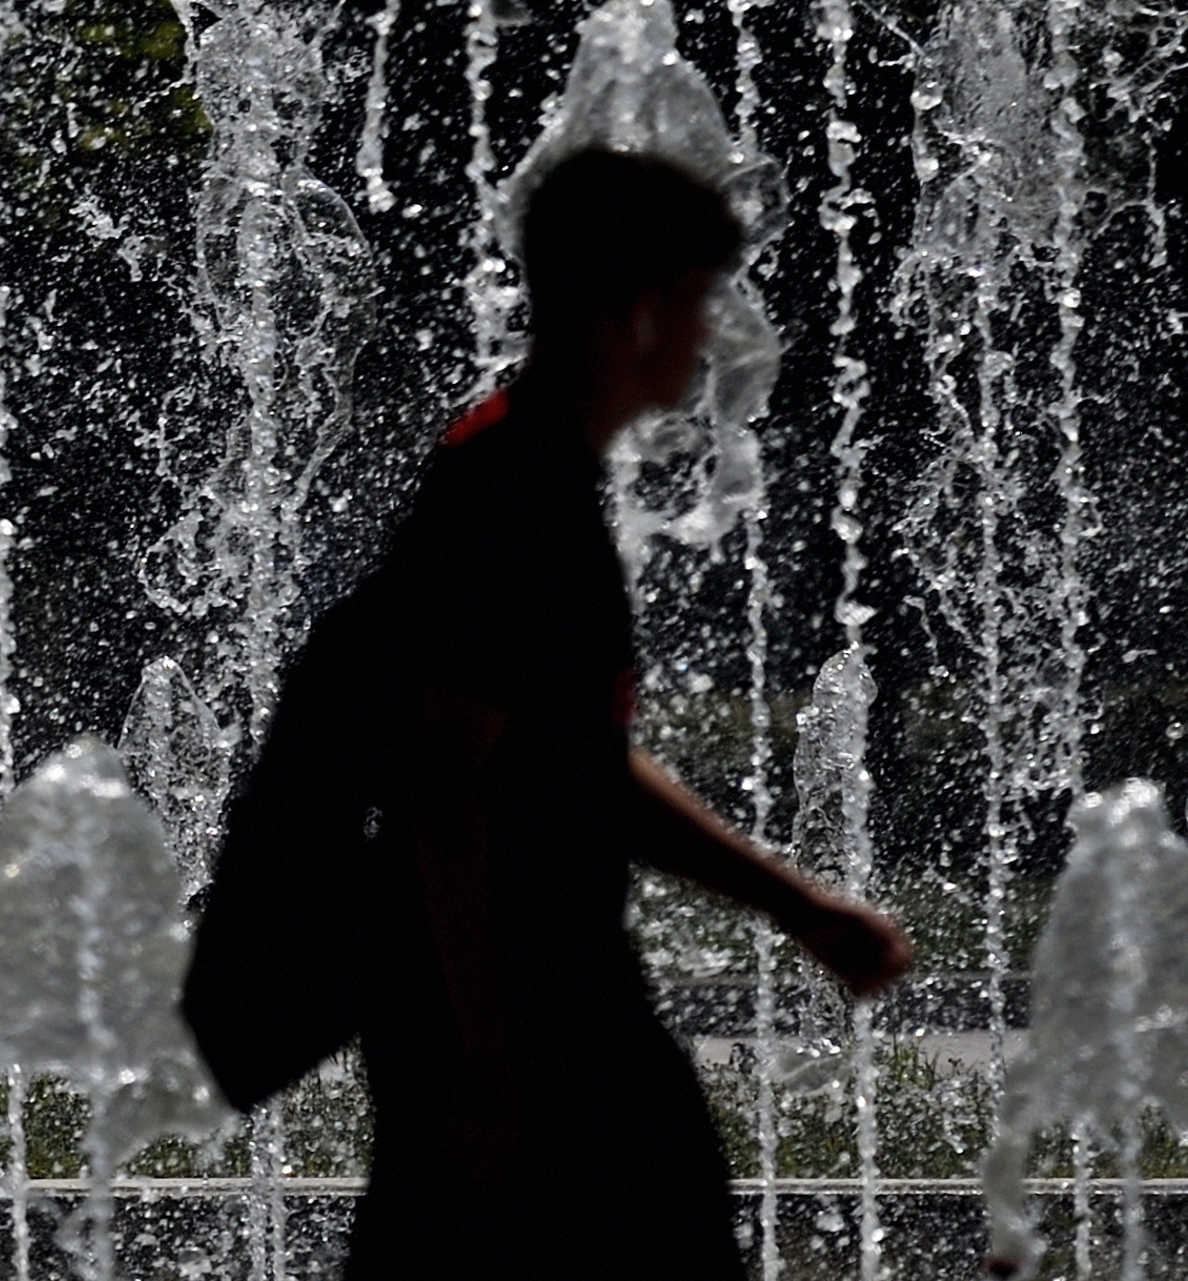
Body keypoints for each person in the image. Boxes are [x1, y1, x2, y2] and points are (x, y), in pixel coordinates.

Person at [185, 146, 911, 1279]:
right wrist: (479, 1049)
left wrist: (799, 905)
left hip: (525, 991)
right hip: (522, 1001)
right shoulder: (516, 494)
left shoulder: (518, 465)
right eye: (696, 302)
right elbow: (442, 773)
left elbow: (573, 759)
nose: (707, 337)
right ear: (639, 307)